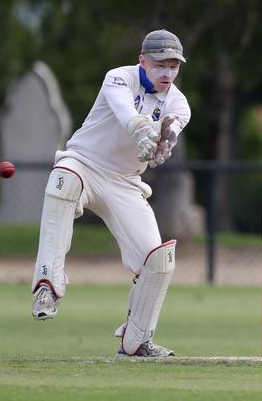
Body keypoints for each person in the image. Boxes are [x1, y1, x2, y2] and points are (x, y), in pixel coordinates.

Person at [30, 29, 191, 357]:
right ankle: (48, 284)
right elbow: (124, 111)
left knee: (158, 261)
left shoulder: (178, 102)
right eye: (160, 64)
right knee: (63, 179)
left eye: (173, 66)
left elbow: (172, 128)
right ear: (142, 60)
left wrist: (165, 141)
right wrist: (141, 128)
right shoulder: (119, 78)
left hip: (125, 182)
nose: (167, 73)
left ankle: (137, 341)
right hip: (85, 163)